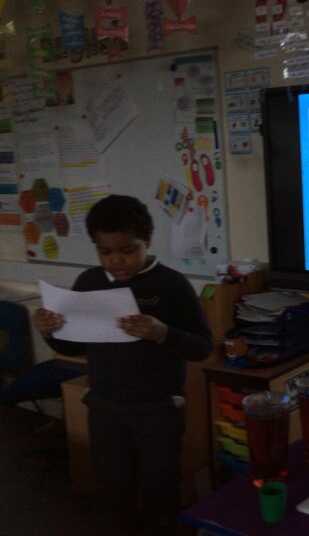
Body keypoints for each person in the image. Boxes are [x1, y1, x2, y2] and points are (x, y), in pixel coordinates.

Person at [32, 194, 213, 534]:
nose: (115, 260)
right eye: (104, 252)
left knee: (161, 492)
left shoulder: (172, 285)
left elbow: (202, 347)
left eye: (127, 250)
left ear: (147, 241)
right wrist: (50, 331)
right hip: (105, 406)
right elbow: (73, 345)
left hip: (158, 409)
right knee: (112, 492)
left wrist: (163, 333)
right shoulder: (90, 282)